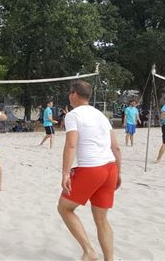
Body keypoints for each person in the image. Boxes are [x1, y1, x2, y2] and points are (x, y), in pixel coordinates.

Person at [57, 80, 122, 261]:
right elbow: (116, 147)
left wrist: (65, 173)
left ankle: (89, 251)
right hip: (110, 167)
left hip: (92, 168)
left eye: (70, 92)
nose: (69, 96)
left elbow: (71, 145)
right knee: (102, 219)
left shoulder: (73, 115)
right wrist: (119, 172)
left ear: (75, 94)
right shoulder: (101, 115)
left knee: (64, 208)